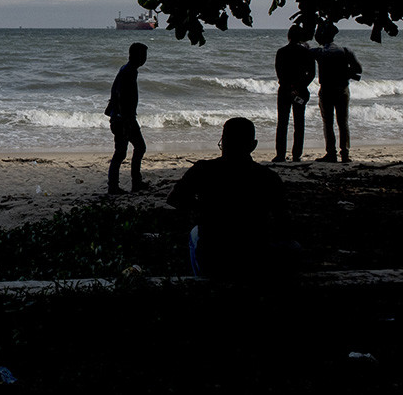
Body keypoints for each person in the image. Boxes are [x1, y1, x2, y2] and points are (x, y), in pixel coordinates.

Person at [167, 118, 297, 279]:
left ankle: (202, 279)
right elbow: (283, 220)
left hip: (214, 256)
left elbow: (174, 198)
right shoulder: (268, 177)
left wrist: (205, 210)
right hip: (255, 255)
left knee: (195, 234)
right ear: (253, 145)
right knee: (292, 246)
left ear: (224, 141)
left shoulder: (203, 169)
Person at [311, 23, 362, 163]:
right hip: (342, 90)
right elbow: (358, 70)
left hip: (327, 90)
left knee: (328, 123)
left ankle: (331, 153)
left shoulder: (319, 52)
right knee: (343, 122)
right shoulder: (345, 51)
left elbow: (305, 52)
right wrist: (345, 74)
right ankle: (345, 153)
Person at [105, 42, 149, 195]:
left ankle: (133, 182)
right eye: (143, 55)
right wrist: (125, 119)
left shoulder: (128, 70)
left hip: (123, 118)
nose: (144, 59)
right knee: (124, 152)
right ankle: (115, 186)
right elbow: (121, 96)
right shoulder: (128, 71)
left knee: (131, 150)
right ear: (135, 56)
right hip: (123, 119)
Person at [273, 25, 315, 162]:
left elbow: (279, 72)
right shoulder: (307, 53)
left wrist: (289, 86)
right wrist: (300, 86)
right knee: (299, 122)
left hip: (285, 90)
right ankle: (297, 154)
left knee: (282, 123)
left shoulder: (281, 52)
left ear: (288, 36)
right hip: (301, 91)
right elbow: (312, 74)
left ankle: (280, 154)